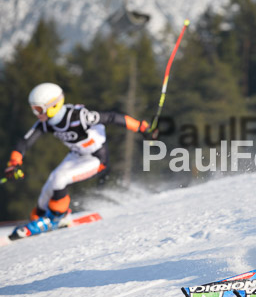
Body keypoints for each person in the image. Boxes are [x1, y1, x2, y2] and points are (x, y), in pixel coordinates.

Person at [4, 82, 156, 238]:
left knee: (59, 179)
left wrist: (142, 128)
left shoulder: (80, 117)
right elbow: (24, 142)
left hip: (96, 159)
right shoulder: (47, 122)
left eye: (38, 109)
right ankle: (38, 219)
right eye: (33, 109)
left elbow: (112, 117)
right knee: (48, 187)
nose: (36, 114)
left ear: (53, 105)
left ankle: (58, 217)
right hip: (76, 155)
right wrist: (14, 163)